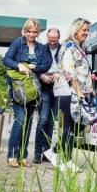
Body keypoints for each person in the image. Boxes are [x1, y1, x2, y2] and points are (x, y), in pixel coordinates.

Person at [3, 18, 50, 167]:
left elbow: (45, 65)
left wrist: (34, 67)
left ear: (38, 32)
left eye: (35, 32)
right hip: (18, 89)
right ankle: (11, 155)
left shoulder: (41, 47)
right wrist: (20, 65)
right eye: (29, 31)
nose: (31, 34)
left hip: (33, 90)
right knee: (20, 120)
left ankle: (23, 156)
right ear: (25, 30)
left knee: (29, 123)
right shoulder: (17, 43)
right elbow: (6, 60)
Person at [53, 18, 96, 173]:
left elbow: (79, 69)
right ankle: (63, 159)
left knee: (79, 123)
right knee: (70, 127)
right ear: (75, 30)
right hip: (69, 92)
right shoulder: (69, 46)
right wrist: (78, 91)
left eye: (87, 30)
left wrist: (91, 77)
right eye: (84, 30)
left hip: (78, 91)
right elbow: (69, 71)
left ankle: (59, 153)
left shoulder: (78, 48)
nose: (86, 33)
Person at [34, 27, 61, 164]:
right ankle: (37, 153)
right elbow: (35, 67)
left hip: (58, 86)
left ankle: (46, 153)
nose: (52, 43)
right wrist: (42, 75)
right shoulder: (41, 49)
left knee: (51, 122)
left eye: (54, 41)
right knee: (43, 119)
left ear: (58, 39)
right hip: (44, 86)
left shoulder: (63, 50)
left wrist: (59, 75)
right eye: (50, 40)